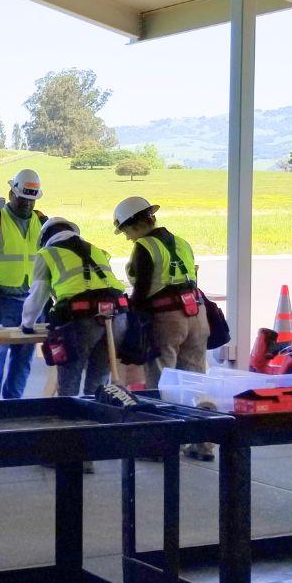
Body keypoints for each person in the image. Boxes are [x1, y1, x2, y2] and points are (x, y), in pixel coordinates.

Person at [23, 217, 127, 473]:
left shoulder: (48, 253)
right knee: (97, 388)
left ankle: (69, 454)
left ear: (45, 237)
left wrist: (27, 324)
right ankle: (90, 452)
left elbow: (38, 295)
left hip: (81, 320)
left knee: (68, 388)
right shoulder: (96, 250)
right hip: (117, 318)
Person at [115, 196, 213, 461]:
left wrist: (132, 321)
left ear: (134, 224)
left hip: (166, 318)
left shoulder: (145, 246)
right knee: (194, 380)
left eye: (125, 231)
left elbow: (142, 289)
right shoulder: (181, 242)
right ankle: (202, 442)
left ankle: (162, 446)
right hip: (196, 313)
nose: (127, 237)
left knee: (162, 382)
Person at [0, 169, 46, 400]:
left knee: (23, 359)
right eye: (22, 198)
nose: (27, 203)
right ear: (11, 194)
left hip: (32, 302)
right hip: (0, 301)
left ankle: (13, 404)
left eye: (31, 200)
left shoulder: (43, 224)